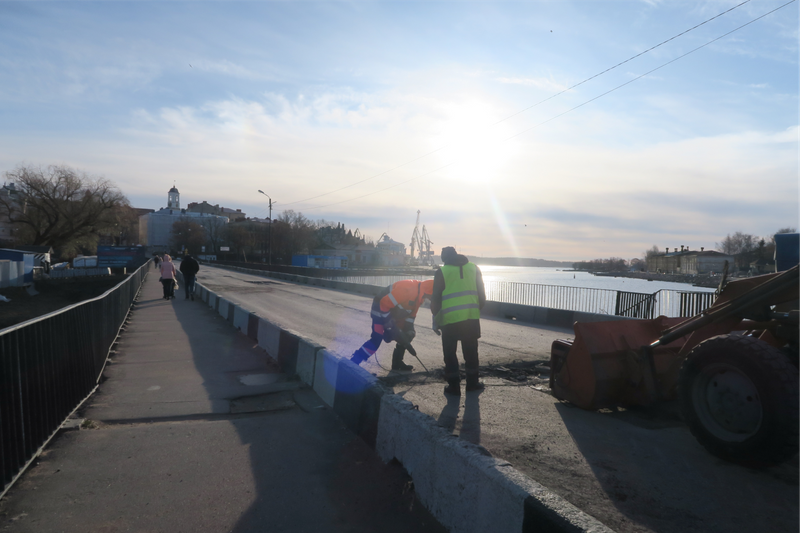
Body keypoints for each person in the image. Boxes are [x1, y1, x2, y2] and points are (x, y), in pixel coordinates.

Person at [430, 246, 486, 396]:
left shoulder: (442, 272)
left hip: (449, 321)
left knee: (450, 353)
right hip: (471, 319)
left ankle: (454, 387)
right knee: (471, 353)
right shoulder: (474, 268)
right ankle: (472, 384)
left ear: (444, 259)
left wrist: (436, 319)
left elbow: (435, 299)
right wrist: (474, 310)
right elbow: (482, 296)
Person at [351, 279, 434, 371]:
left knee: (405, 336)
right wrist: (389, 325)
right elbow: (384, 303)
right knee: (377, 338)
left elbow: (411, 317)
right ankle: (354, 361)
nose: (430, 299)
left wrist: (409, 330)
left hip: (394, 313)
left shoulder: (420, 297)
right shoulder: (407, 288)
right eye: (431, 296)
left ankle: (397, 363)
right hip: (379, 310)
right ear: (428, 291)